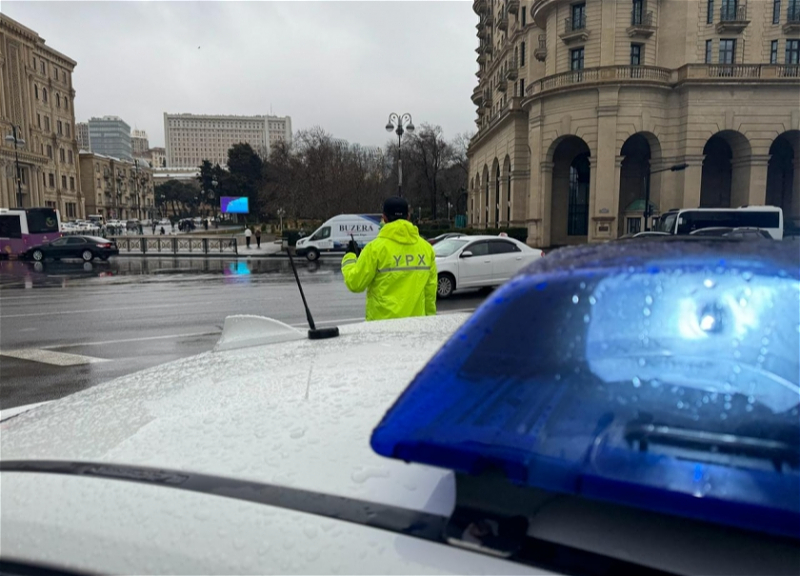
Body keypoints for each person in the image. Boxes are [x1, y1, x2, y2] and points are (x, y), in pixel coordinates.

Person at [341, 196, 437, 321]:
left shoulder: (374, 248)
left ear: (384, 218)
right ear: (408, 217)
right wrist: (430, 322)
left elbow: (355, 283)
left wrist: (349, 257)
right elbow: (430, 293)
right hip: (416, 327)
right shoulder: (426, 248)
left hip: (382, 329)